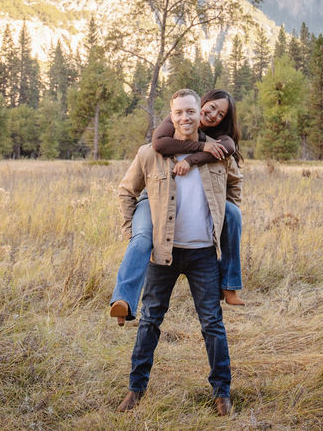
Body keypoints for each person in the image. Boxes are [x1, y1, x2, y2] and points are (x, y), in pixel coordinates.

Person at [114, 89, 241, 416]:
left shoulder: (217, 154)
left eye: (191, 112)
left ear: (201, 115)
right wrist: (134, 234)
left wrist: (226, 219)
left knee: (212, 323)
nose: (186, 118)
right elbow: (127, 191)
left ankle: (222, 392)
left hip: (202, 255)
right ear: (171, 116)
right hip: (163, 254)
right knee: (150, 321)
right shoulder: (149, 154)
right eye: (179, 112)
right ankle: (135, 388)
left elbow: (234, 189)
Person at [109, 89, 244, 325]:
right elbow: (159, 144)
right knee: (141, 238)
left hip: (198, 239)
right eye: (211, 107)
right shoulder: (177, 120)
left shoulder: (218, 141)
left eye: (220, 114)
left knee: (232, 212)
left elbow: (230, 159)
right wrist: (200, 150)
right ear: (202, 101)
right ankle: (123, 302)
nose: (212, 115)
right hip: (153, 200)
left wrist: (194, 158)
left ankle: (230, 285)